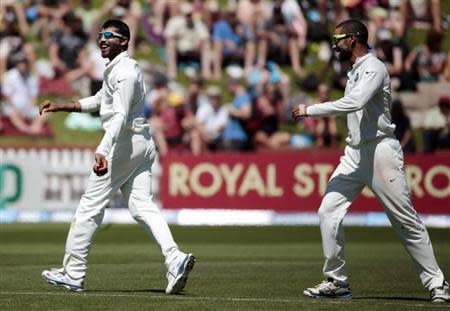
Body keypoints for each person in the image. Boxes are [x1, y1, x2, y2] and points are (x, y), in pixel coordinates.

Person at [292, 19, 449, 303]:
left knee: (405, 221)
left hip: (380, 151)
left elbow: (355, 102)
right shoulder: (354, 71)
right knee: (328, 211)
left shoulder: (374, 67)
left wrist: (309, 110)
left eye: (339, 38)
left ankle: (438, 284)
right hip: (354, 153)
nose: (334, 44)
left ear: (353, 39)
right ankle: (336, 282)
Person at [39, 19, 195, 294]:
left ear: (124, 40)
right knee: (141, 206)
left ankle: (73, 273)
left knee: (89, 206)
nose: (102, 39)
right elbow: (101, 100)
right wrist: (65, 106)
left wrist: (103, 149)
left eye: (109, 35)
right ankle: (174, 258)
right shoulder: (119, 68)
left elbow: (120, 115)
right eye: (100, 35)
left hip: (124, 142)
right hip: (140, 143)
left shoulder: (124, 72)